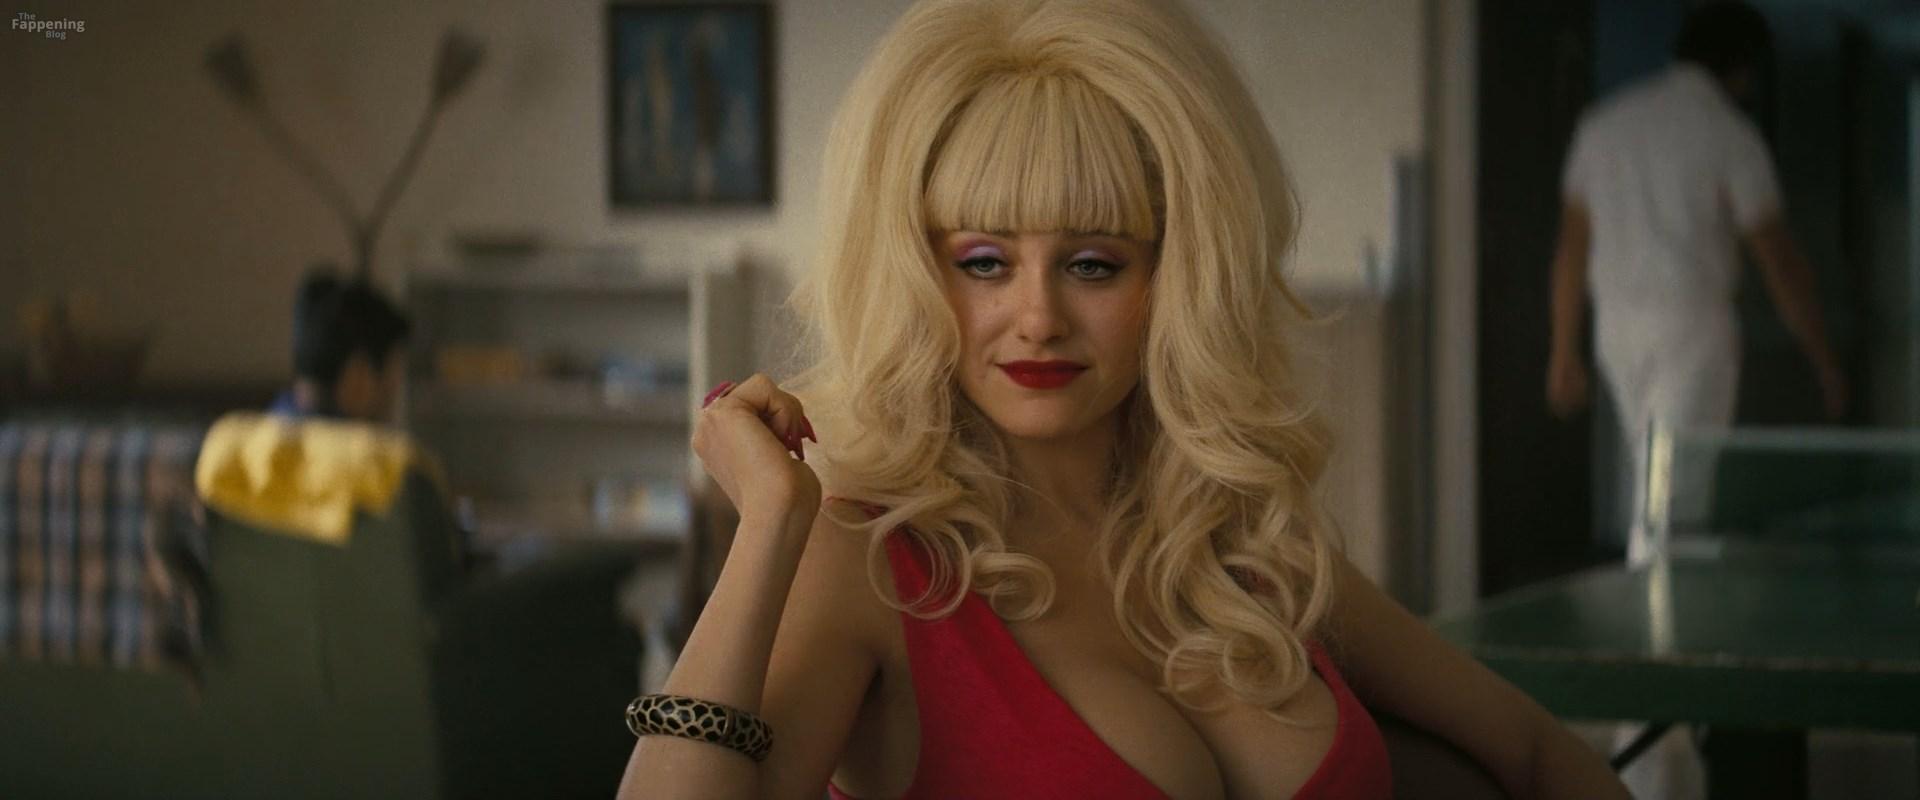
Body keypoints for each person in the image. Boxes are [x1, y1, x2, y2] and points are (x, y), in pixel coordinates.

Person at [620, 0, 1628, 797]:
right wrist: (771, 524)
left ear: (1176, 279)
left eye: (1094, 263)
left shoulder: (1249, 547)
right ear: (916, 277)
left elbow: (1536, 751)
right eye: (983, 262)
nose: (1038, 316)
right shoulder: (873, 562)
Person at [1544, 3, 1844, 798]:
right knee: (1668, 519)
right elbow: (1779, 259)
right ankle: (1652, 728)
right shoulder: (1729, 133)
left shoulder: (1605, 124)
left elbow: (1571, 248)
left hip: (1618, 332)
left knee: (1660, 509)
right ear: (1740, 70)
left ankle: (1664, 725)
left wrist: (1564, 349)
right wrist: (1825, 359)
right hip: (1691, 329)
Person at [269, 269, 412, 423]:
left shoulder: (264, 429)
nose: (394, 391)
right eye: (391, 376)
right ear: (359, 375)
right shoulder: (365, 439)